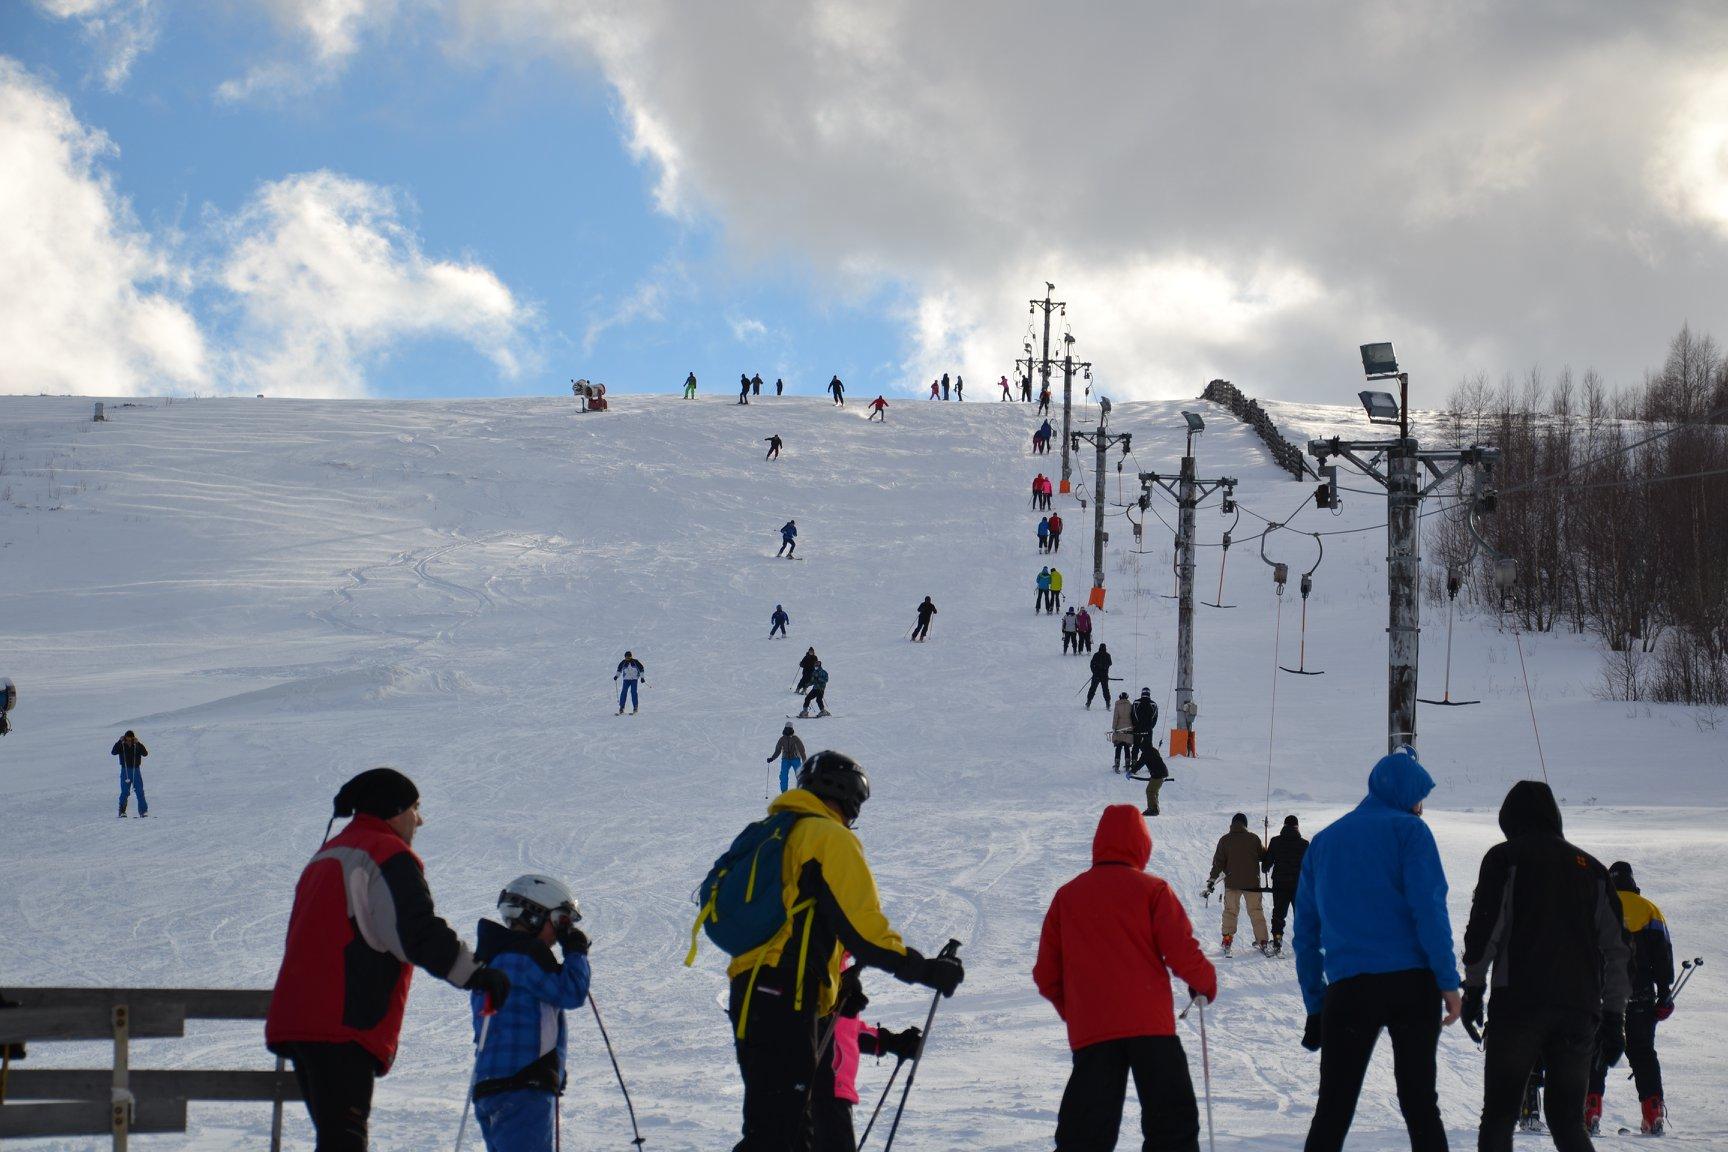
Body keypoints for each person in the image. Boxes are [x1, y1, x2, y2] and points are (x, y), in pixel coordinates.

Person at [724, 752, 964, 1149]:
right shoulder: (829, 838)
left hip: (749, 994)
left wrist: (838, 986)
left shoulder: (775, 832)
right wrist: (926, 970)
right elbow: (865, 932)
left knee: (771, 1130)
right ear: (848, 796)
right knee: (784, 1134)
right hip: (788, 996)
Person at [267, 768, 508, 1152]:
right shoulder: (383, 852)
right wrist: (474, 973)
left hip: (301, 1018)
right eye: (416, 807)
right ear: (394, 810)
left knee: (335, 1137)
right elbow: (413, 930)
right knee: (344, 1140)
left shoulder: (328, 853)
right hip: (341, 1020)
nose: (420, 819)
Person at [1294, 747, 1461, 1152]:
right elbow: (1429, 908)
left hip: (1349, 990)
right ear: (1407, 793)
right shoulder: (1411, 831)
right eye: (1420, 795)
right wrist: (1448, 982)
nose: (1421, 805)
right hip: (1412, 985)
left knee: (1333, 1109)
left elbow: (1305, 932)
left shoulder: (1325, 842)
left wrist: (1316, 1003)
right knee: (1421, 1105)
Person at [1034, 804, 1217, 1152]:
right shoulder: (1153, 890)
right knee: (1172, 1128)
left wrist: (1077, 1013)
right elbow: (1181, 950)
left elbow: (1046, 974)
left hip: (1094, 1032)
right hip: (1152, 1027)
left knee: (1085, 1135)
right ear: (1142, 844)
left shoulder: (1067, 897)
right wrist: (1205, 982)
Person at [1461, 780, 1631, 1152]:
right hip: (1579, 1011)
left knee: (1500, 1117)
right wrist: (1614, 1018)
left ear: (1510, 819)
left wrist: (1473, 988)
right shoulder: (1596, 871)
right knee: (1567, 1120)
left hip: (1519, 1004)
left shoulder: (1504, 858)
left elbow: (1486, 929)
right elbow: (1618, 950)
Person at [469, 875, 592, 1152]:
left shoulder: (489, 963)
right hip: (523, 1087)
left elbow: (517, 1021)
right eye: (560, 921)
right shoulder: (526, 956)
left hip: (491, 1087)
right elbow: (572, 991)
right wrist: (575, 952)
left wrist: (554, 1070)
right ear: (535, 915)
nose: (561, 932)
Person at [1587, 861, 1674, 1136]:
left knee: (1597, 1052)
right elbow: (1663, 956)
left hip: (1604, 996)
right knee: (1643, 1053)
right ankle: (1653, 1113)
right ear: (1632, 882)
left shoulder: (1597, 907)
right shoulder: (1650, 910)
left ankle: (1589, 1111)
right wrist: (1664, 993)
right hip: (1642, 997)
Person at [813, 965, 922, 1152]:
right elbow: (805, 1022)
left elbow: (847, 1030)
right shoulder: (817, 960)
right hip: (819, 1090)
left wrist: (891, 1042)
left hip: (833, 1090)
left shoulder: (838, 966)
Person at [1204, 814, 1270, 957]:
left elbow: (1218, 863)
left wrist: (1211, 880)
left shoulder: (1225, 840)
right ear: (1245, 824)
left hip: (1232, 883)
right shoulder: (1253, 838)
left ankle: (1227, 940)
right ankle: (1263, 941)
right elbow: (1264, 856)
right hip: (1252, 883)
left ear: (1232, 824)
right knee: (1256, 911)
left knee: (1230, 912)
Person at [1260, 815, 1308, 956]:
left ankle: (1277, 940)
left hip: (1280, 883)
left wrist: (1265, 866)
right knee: (1301, 914)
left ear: (1284, 825)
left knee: (1279, 913)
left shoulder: (1275, 841)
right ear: (1297, 827)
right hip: (1299, 885)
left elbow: (1267, 864)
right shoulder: (1304, 844)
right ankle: (1304, 941)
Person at [112, 729, 148, 818]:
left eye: (130, 739)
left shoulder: (136, 745)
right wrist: (119, 742)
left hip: (136, 770)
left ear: (133, 738)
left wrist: (138, 743)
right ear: (124, 738)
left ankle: (143, 812)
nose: (128, 741)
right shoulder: (121, 745)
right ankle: (122, 811)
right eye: (127, 739)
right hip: (125, 770)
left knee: (140, 791)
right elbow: (113, 752)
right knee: (125, 791)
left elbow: (145, 753)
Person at [767, 723, 807, 793]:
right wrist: (772, 758)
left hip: (795, 758)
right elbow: (778, 750)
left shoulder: (795, 739)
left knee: (799, 774)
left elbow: (802, 750)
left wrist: (804, 761)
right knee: (783, 775)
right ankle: (784, 792)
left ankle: (802, 791)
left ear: (792, 729)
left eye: (789, 729)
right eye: (786, 729)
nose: (787, 730)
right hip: (785, 759)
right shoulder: (782, 739)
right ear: (784, 729)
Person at [1110, 691, 1134, 773]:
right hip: (1128, 729)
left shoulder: (1117, 705)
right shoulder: (1130, 705)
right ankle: (1127, 765)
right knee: (1127, 747)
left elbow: (1115, 717)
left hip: (1119, 729)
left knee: (1119, 747)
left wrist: (1114, 728)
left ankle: (1117, 765)